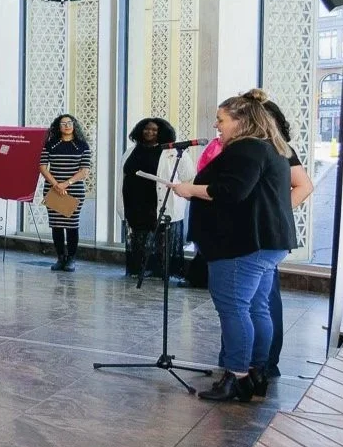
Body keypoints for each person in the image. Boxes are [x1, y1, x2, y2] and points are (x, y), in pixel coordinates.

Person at [168, 90, 296, 402]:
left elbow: (231, 191)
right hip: (267, 242)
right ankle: (256, 373)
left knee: (235, 308)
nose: (217, 125)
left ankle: (237, 376)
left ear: (241, 121)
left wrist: (190, 190)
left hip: (243, 244)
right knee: (257, 307)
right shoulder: (272, 146)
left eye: (221, 119)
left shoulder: (247, 148)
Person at [256, 100, 316, 388]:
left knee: (264, 298)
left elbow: (304, 185)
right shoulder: (247, 149)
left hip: (264, 235)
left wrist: (275, 212)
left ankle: (265, 362)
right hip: (252, 235)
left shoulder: (279, 149)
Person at [121, 118, 195, 281]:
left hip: (159, 201)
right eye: (146, 129)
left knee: (162, 238)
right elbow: (123, 175)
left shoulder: (173, 152)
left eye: (154, 130)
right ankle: (140, 268)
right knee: (139, 236)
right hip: (134, 202)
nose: (149, 132)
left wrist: (183, 192)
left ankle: (162, 270)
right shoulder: (131, 151)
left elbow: (189, 177)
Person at [40, 114, 93, 272]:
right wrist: (56, 184)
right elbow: (42, 167)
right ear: (58, 127)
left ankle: (71, 259)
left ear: (74, 125)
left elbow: (84, 171)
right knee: (56, 225)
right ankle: (60, 258)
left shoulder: (82, 145)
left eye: (70, 123)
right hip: (53, 189)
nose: (67, 126)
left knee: (71, 225)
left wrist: (66, 183)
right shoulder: (50, 144)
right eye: (63, 123)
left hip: (74, 190)